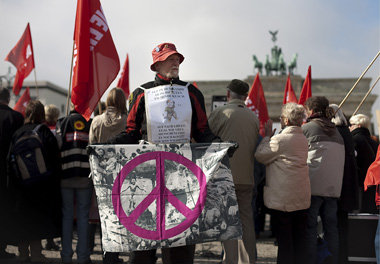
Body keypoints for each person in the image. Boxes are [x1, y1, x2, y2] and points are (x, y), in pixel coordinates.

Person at [110, 42, 218, 264]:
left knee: (180, 240)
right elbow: (130, 133)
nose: (176, 61)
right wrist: (107, 145)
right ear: (156, 64)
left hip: (182, 177)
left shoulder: (192, 92)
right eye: (170, 58)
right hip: (146, 176)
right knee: (143, 240)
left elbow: (202, 131)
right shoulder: (141, 93)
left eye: (177, 58)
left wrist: (219, 144)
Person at [208, 79, 259, 264]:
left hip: (223, 176)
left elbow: (205, 139)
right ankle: (248, 260)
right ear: (245, 97)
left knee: (227, 221)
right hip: (247, 177)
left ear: (228, 94)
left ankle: (230, 260)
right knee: (246, 220)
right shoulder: (253, 117)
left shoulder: (220, 113)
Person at [255, 103, 310, 264]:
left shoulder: (279, 140)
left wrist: (266, 137)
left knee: (285, 243)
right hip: (301, 197)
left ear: (286, 120)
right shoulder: (303, 139)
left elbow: (260, 156)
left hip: (283, 199)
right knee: (299, 241)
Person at [10, 100, 61, 262]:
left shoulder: (17, 132)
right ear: (41, 115)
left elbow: (10, 161)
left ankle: (23, 254)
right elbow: (55, 159)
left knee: (23, 218)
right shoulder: (44, 131)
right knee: (37, 220)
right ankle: (37, 255)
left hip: (21, 185)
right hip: (42, 185)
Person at [302, 96, 345, 264]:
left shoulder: (307, 128)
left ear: (311, 111)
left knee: (310, 228)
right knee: (331, 229)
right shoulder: (337, 131)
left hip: (313, 187)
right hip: (333, 188)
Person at [89, 87, 127, 264]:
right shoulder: (127, 121)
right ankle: (113, 254)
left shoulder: (96, 121)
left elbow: (90, 146)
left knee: (101, 215)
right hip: (122, 175)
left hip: (100, 174)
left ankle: (104, 252)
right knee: (118, 217)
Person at [56, 104, 93, 264]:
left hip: (65, 175)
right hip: (85, 175)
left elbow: (56, 146)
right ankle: (83, 256)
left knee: (67, 217)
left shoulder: (61, 122)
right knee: (84, 217)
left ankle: (66, 256)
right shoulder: (89, 122)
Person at [330, 104, 359, 264]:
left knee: (334, 227)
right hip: (348, 185)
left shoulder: (334, 132)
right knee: (343, 227)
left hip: (337, 186)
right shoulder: (347, 132)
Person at [0, 87, 24, 259]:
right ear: (8, 98)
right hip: (7, 172)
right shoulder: (16, 117)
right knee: (5, 210)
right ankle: (2, 248)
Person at [349, 114, 379, 214]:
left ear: (359, 126)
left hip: (360, 182)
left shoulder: (354, 140)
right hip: (373, 183)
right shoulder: (374, 142)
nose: (349, 127)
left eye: (351, 124)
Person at [44, 104, 61, 251]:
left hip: (42, 173)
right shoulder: (57, 131)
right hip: (56, 173)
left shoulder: (39, 130)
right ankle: (53, 239)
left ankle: (47, 239)